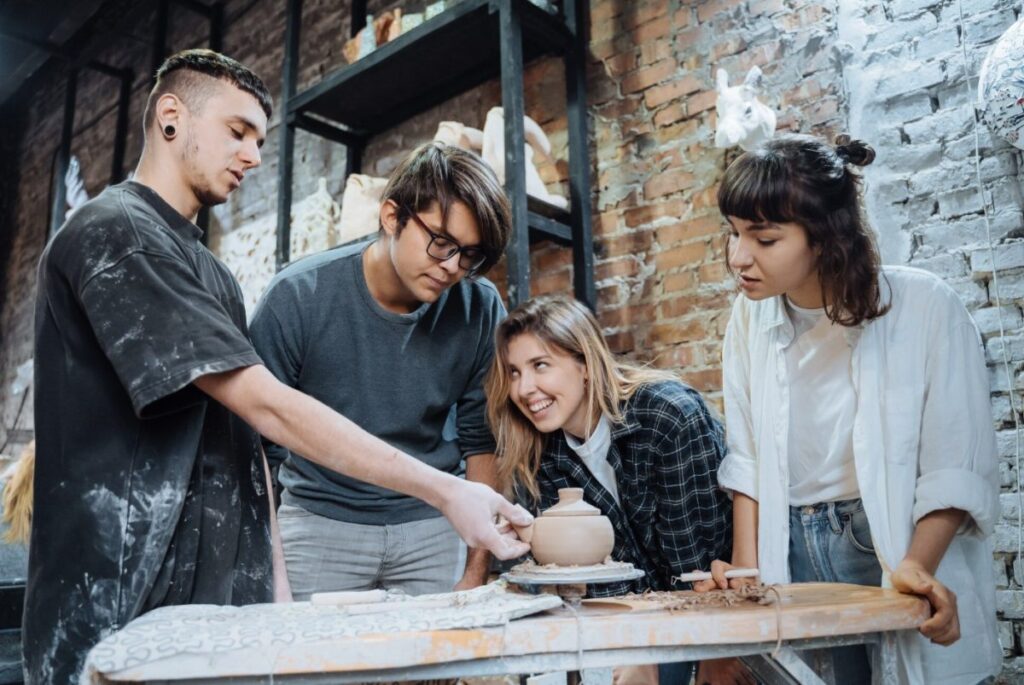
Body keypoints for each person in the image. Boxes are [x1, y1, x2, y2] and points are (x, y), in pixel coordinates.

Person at [26, 49, 530, 685]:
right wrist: (448, 489)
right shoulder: (115, 231)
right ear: (170, 117)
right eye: (238, 131)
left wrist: (274, 589)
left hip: (195, 592)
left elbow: (243, 447)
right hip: (115, 583)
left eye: (260, 139)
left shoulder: (209, 271)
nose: (255, 156)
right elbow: (264, 405)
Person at [696, 133, 1000, 684]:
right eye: (734, 235)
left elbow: (956, 463)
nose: (739, 258)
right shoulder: (748, 320)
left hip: (884, 539)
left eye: (764, 239)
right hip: (788, 544)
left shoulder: (925, 306)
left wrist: (916, 567)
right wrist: (747, 571)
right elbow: (747, 458)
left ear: (825, 237)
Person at [250, 142, 510, 599]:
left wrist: (476, 571)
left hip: (433, 527)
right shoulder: (297, 297)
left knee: (436, 669)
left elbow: (482, 440)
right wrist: (275, 579)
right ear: (392, 217)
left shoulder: (479, 306)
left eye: (468, 255)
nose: (452, 267)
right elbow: (255, 455)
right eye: (441, 243)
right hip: (318, 525)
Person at [485, 295, 733, 685]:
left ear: (584, 364)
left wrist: (718, 652)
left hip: (719, 615)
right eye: (514, 372)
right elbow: (593, 576)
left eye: (540, 366)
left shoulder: (666, 416)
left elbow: (699, 562)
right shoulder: (542, 451)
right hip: (632, 624)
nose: (525, 388)